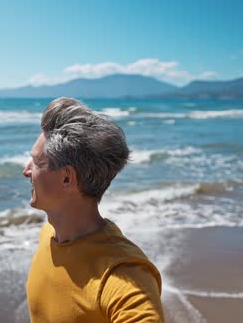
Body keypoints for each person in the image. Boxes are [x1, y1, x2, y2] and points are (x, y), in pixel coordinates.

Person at [23, 97, 164, 322]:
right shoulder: (49, 234)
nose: (26, 171)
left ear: (67, 178)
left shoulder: (123, 275)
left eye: (36, 163)